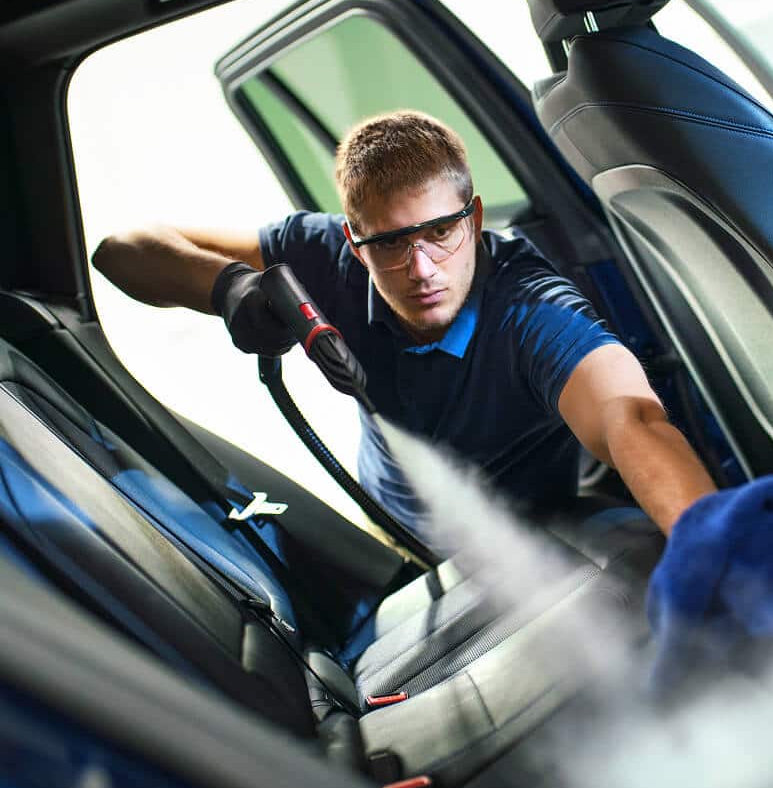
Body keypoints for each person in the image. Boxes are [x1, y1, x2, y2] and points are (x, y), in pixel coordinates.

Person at [92, 110, 716, 540]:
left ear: (472, 219)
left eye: (440, 232)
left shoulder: (530, 309)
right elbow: (122, 248)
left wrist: (712, 540)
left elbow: (630, 419)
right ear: (354, 241)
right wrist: (230, 287)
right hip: (392, 520)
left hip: (531, 530)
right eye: (390, 242)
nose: (420, 268)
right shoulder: (319, 254)